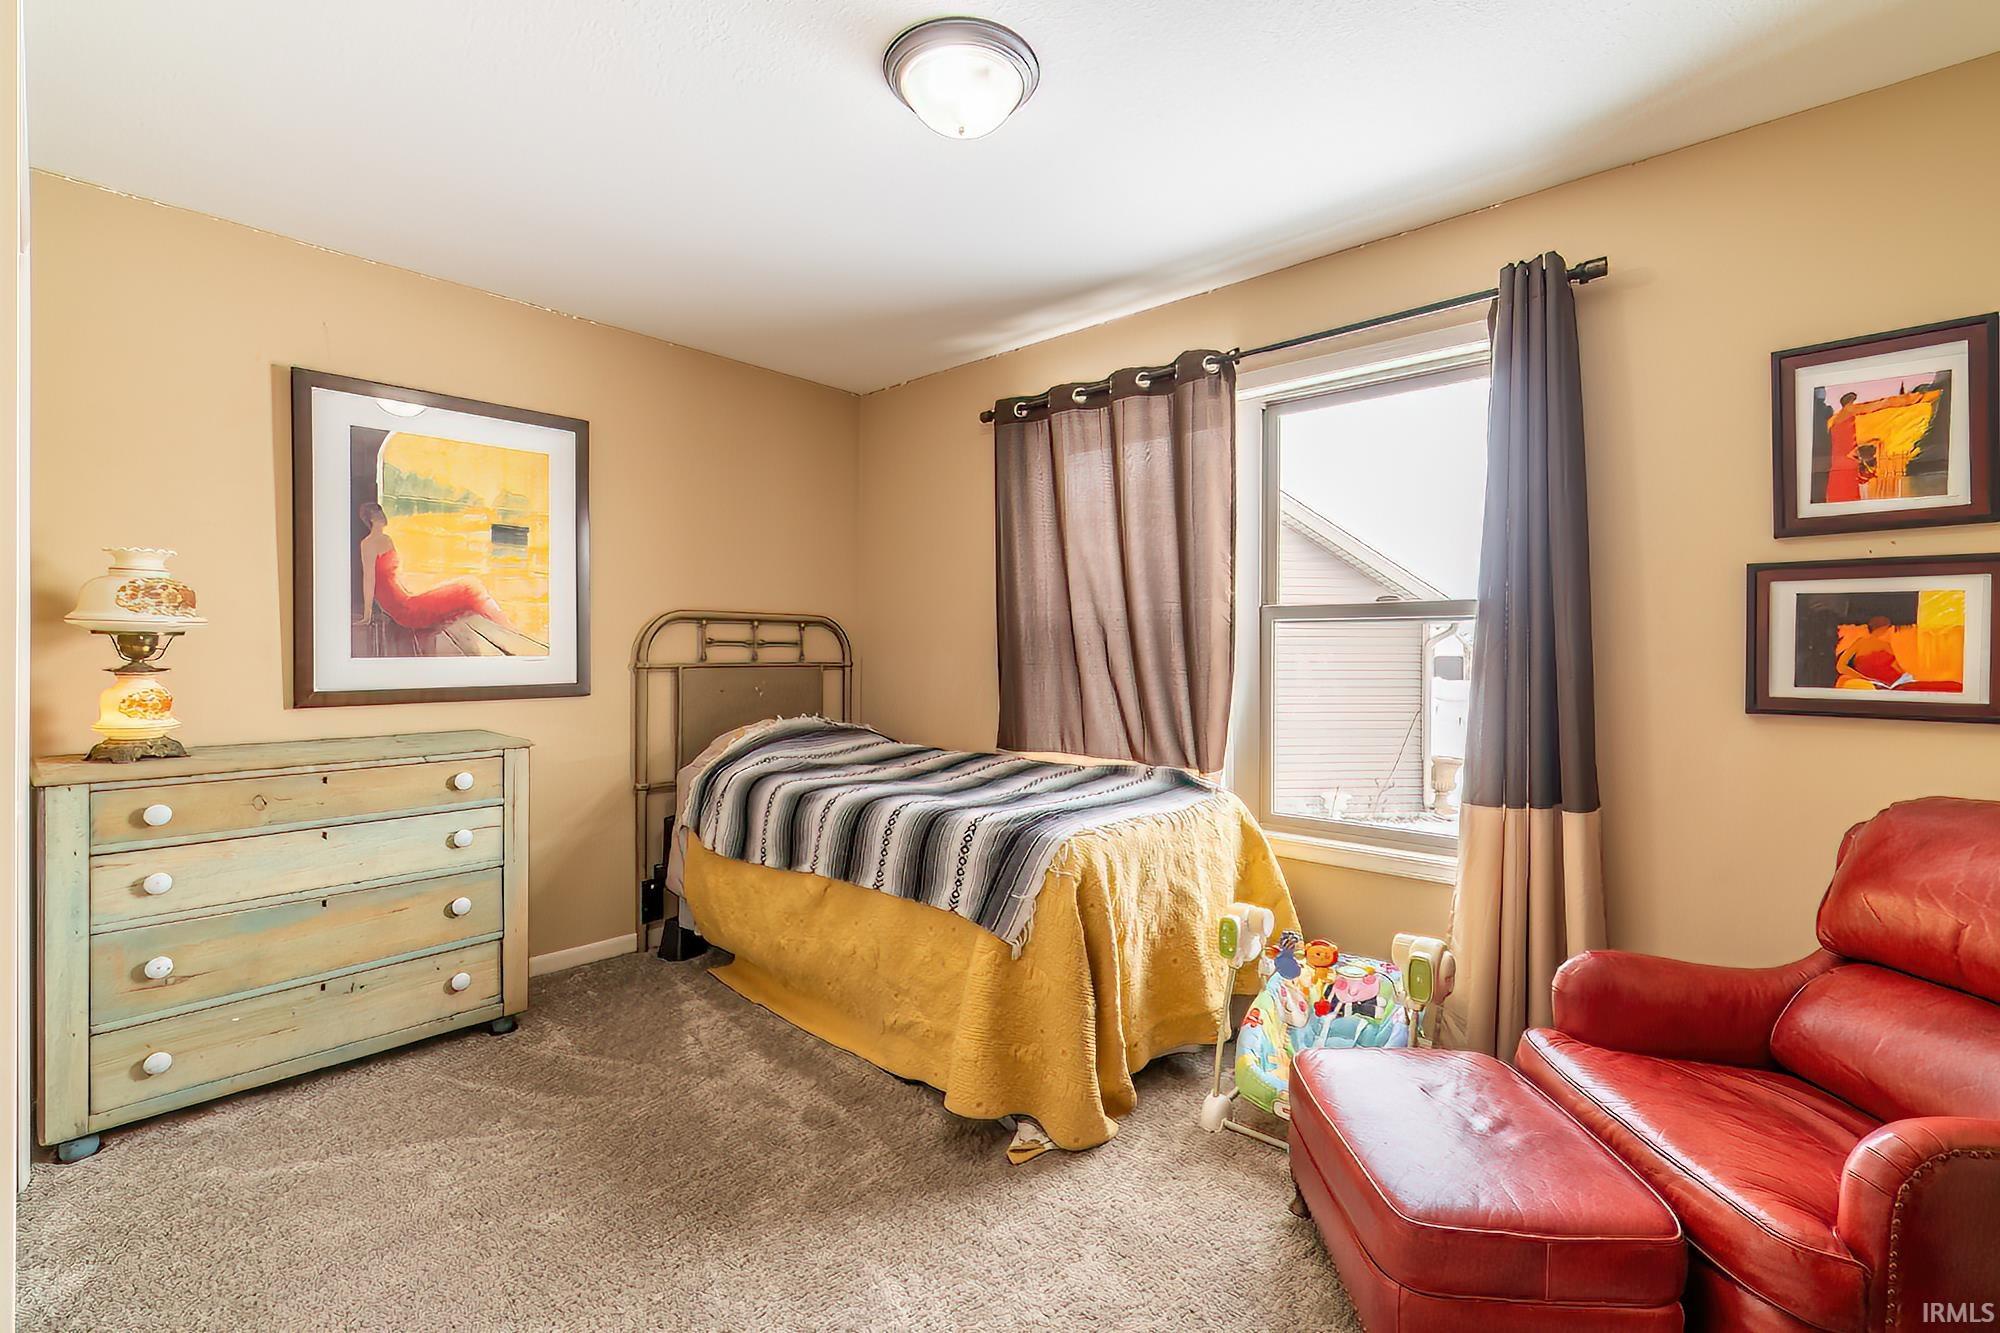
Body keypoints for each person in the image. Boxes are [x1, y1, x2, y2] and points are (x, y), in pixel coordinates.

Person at [354, 501, 514, 633]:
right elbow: (369, 578)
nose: (382, 516)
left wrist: (410, 592)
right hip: (401, 608)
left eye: (381, 512)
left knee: (470, 586)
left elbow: (394, 576)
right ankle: (507, 629)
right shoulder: (367, 544)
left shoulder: (387, 539)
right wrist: (367, 614)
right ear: (370, 519)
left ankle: (506, 627)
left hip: (404, 598)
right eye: (377, 514)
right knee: (469, 588)